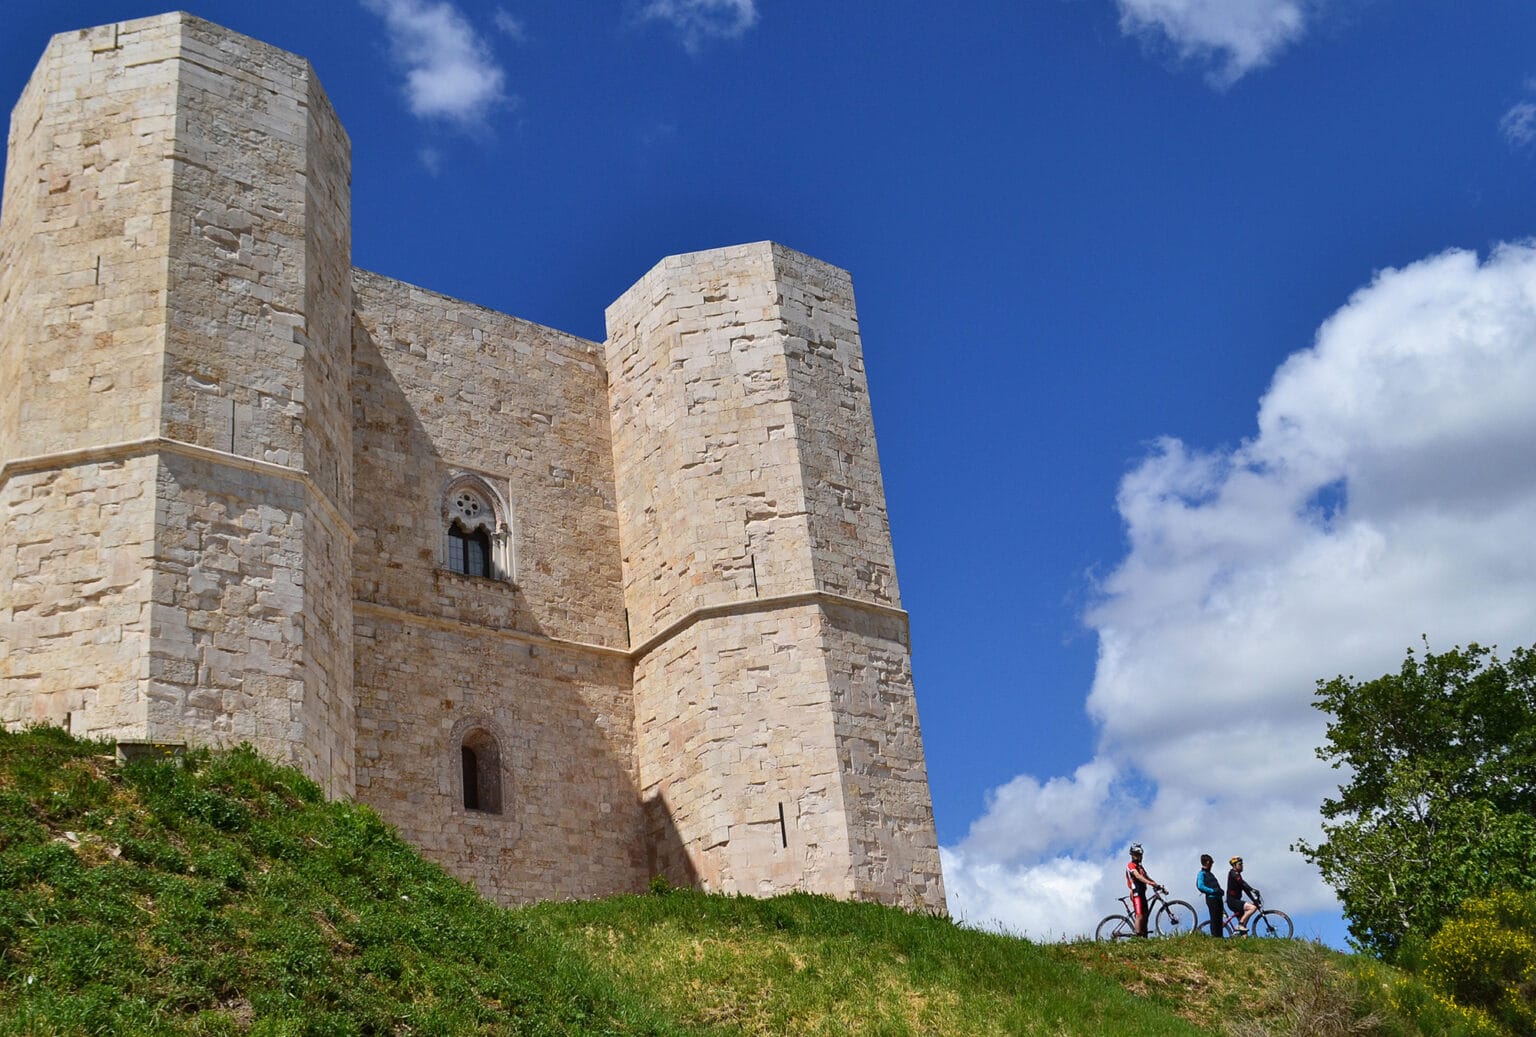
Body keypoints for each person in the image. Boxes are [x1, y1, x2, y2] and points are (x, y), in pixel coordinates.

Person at [1125, 843, 1165, 937]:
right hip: (1136, 893)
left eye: (1141, 855)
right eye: (1137, 855)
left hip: (1142, 893)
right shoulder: (1130, 865)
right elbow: (1138, 876)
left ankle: (1145, 938)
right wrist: (1150, 883)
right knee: (1139, 915)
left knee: (1146, 916)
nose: (1140, 857)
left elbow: (1147, 877)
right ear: (1132, 855)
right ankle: (1138, 938)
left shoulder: (1140, 867)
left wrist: (1157, 885)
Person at [1226, 855, 1260, 934]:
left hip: (1235, 900)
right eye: (1240, 864)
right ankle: (1240, 924)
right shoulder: (1233, 873)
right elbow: (1243, 883)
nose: (1242, 866)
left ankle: (1240, 934)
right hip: (1232, 901)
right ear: (1234, 866)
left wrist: (1254, 899)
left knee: (1244, 929)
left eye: (1242, 864)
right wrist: (1253, 889)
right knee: (1252, 908)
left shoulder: (1238, 875)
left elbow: (1245, 889)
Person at [1196, 854, 1224, 937]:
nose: (1212, 864)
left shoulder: (1211, 874)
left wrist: (1220, 891)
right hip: (1211, 899)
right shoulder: (1201, 873)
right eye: (1211, 862)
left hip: (1218, 898)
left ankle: (1220, 937)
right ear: (1207, 862)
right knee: (1214, 918)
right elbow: (1200, 886)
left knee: (1219, 919)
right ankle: (1215, 937)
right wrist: (1212, 891)